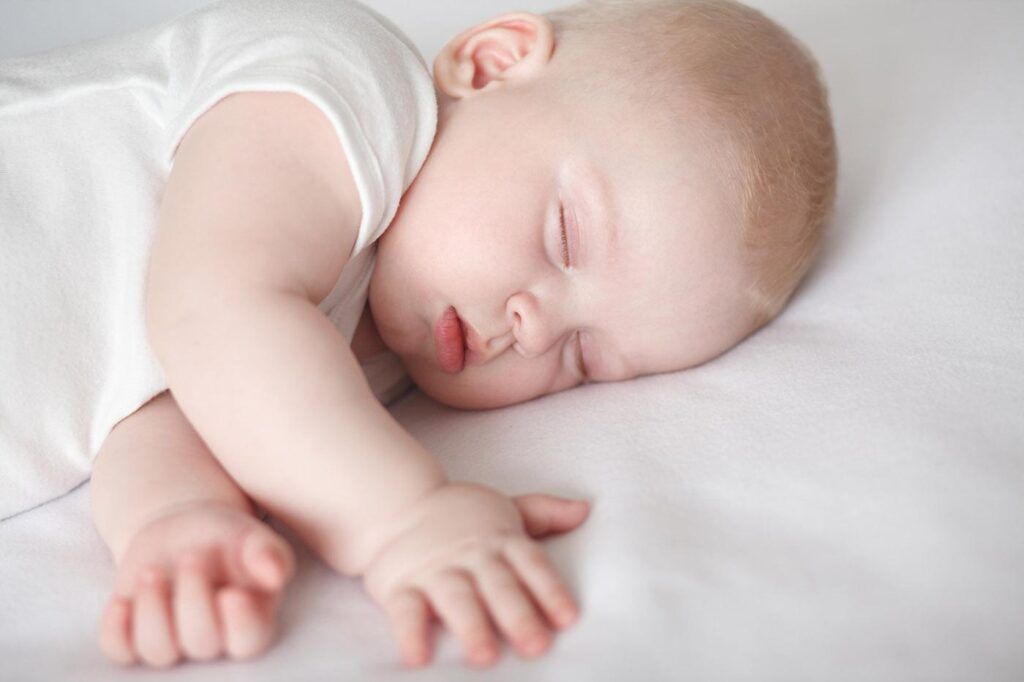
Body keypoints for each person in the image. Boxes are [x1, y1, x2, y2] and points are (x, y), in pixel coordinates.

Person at [0, 0, 837, 670]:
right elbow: (213, 308)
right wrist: (402, 517)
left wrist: (182, 522)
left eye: (583, 358)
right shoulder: (344, 83)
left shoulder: (362, 360)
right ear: (491, 63)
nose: (533, 328)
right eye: (565, 238)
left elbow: (173, 404)